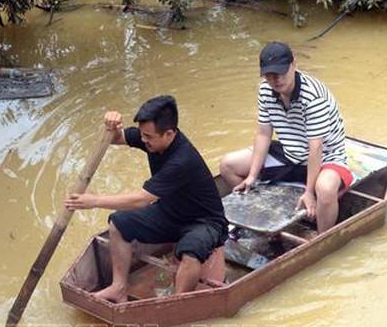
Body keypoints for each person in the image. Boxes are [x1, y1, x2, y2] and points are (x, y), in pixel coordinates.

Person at [65, 95, 228, 303]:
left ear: (169, 134)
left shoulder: (182, 160)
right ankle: (118, 287)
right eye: (142, 135)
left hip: (204, 222)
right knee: (118, 223)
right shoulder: (153, 140)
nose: (143, 140)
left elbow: (141, 199)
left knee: (190, 251)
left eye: (148, 137)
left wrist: (94, 201)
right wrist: (110, 125)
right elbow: (113, 138)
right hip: (170, 213)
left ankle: (177, 303)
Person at [219, 42, 352, 233]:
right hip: (289, 153)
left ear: (294, 65)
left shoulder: (314, 97)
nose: (276, 80)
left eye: (281, 72)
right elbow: (263, 133)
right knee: (228, 165)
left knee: (325, 189)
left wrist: (309, 192)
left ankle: (321, 236)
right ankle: (262, 217)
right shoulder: (265, 90)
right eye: (270, 75)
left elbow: (315, 148)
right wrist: (251, 176)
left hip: (326, 157)